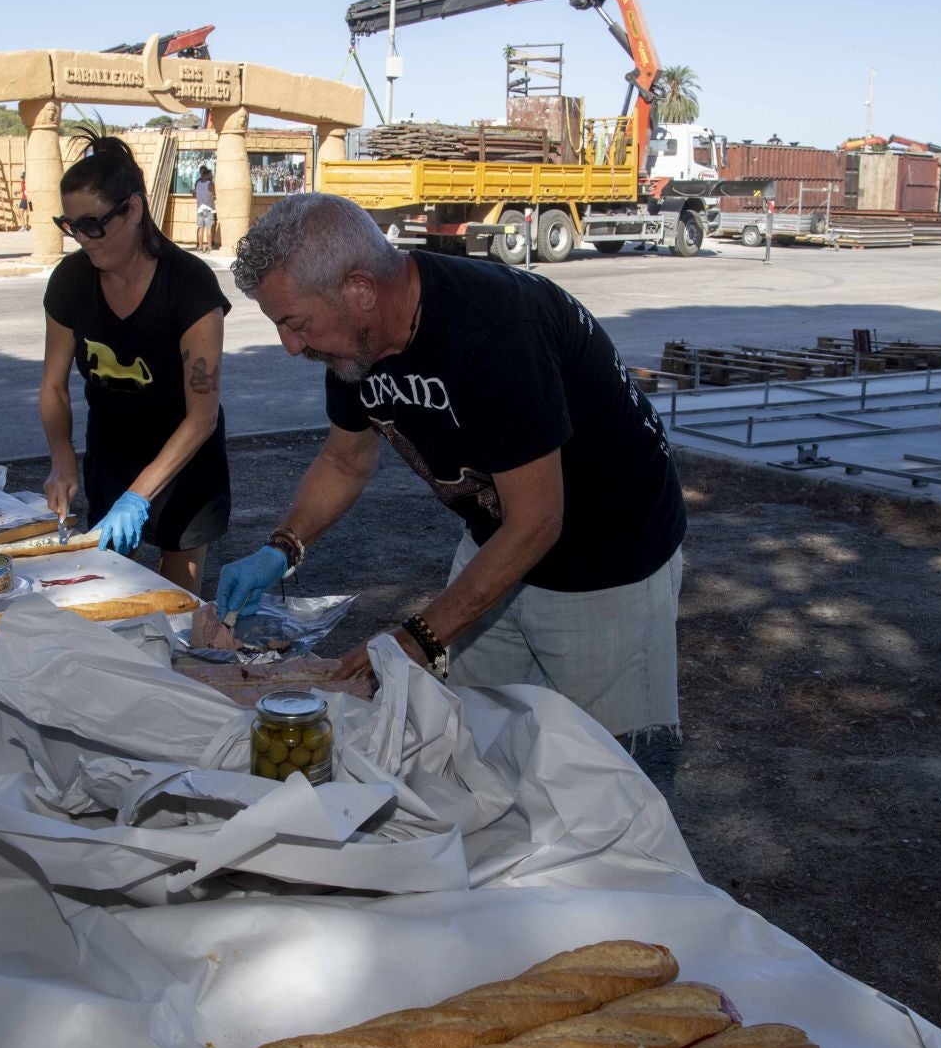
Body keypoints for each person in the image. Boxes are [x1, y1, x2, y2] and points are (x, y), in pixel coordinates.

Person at [215, 193, 688, 744]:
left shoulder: (495, 329)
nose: (291, 345)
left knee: (605, 766)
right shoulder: (351, 343)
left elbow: (538, 520)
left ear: (360, 290)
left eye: (296, 323)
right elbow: (345, 460)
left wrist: (417, 638)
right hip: (498, 541)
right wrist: (282, 547)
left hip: (607, 559)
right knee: (470, 743)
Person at [40, 131, 230, 594]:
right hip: (111, 450)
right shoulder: (70, 281)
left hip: (184, 458)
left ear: (133, 210)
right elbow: (54, 387)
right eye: (70, 225)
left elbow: (201, 417)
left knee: (175, 606)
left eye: (93, 224)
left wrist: (138, 497)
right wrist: (63, 461)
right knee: (106, 593)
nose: (81, 238)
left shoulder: (189, 285)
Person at [194, 165, 216, 252]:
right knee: (209, 229)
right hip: (208, 209)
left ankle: (200, 247)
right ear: (206, 175)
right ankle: (209, 247)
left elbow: (194, 193)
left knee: (200, 228)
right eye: (210, 174)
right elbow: (214, 193)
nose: (212, 176)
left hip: (200, 209)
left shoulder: (198, 183)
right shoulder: (210, 183)